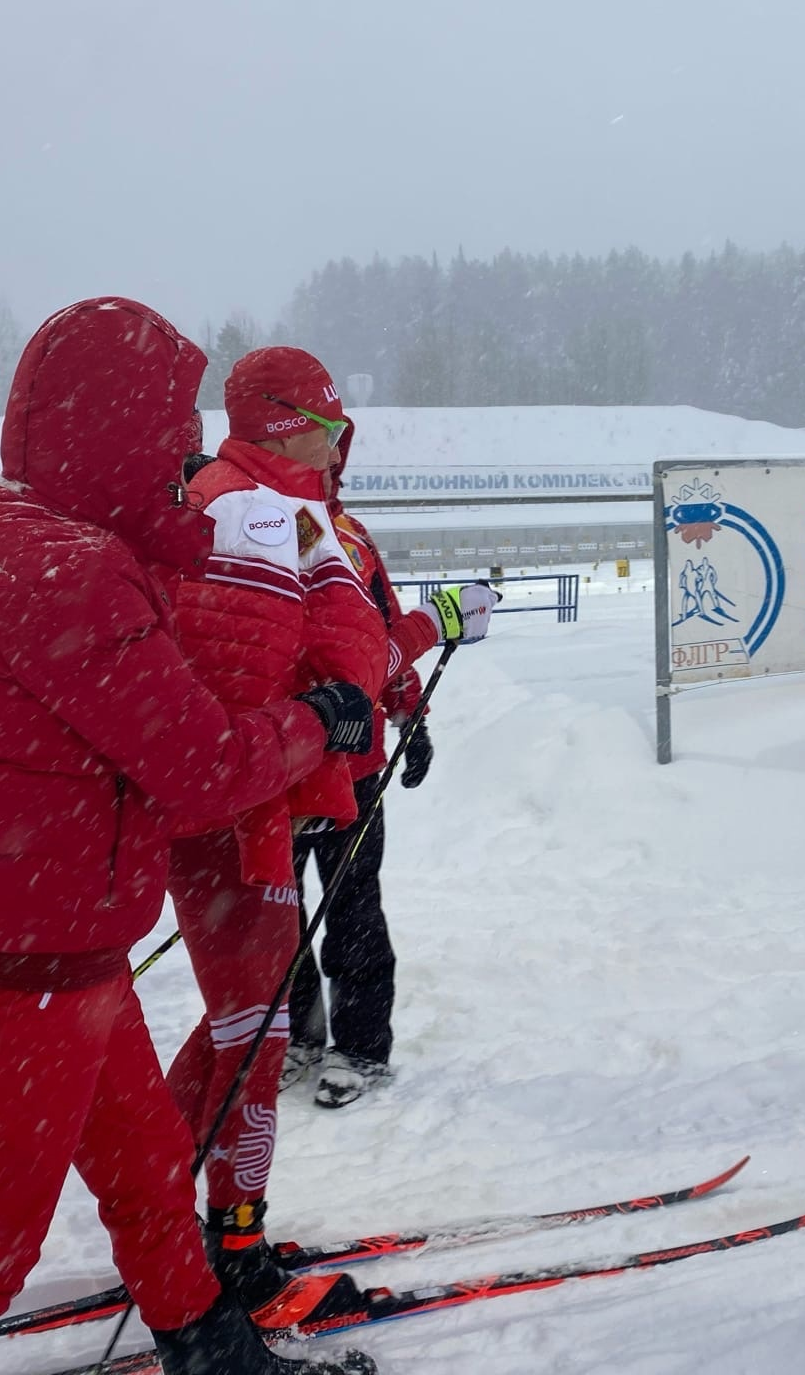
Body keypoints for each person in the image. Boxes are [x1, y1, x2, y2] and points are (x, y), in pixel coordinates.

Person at [0, 300, 375, 1375]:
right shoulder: (69, 568)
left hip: (60, 947)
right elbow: (199, 768)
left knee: (147, 1186)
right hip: (22, 979)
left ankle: (210, 1351)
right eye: (166, 431)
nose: (181, 455)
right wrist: (318, 721)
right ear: (112, 428)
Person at [164, 346, 395, 1331]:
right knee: (250, 1037)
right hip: (238, 814)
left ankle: (195, 1218)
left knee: (242, 1030)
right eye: (326, 424)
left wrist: (406, 648)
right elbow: (234, 681)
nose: (338, 442)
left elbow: (340, 648)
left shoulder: (287, 506)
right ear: (279, 418)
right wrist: (313, 725)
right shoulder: (242, 503)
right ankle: (221, 1241)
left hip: (270, 802)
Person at [286, 417, 496, 1109]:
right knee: (274, 918)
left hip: (353, 764)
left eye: (335, 440)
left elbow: (381, 630)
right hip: (277, 766)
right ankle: (297, 1036)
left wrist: (411, 714)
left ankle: (361, 1047)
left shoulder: (347, 535)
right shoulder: (254, 524)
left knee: (353, 908)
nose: (329, 455)